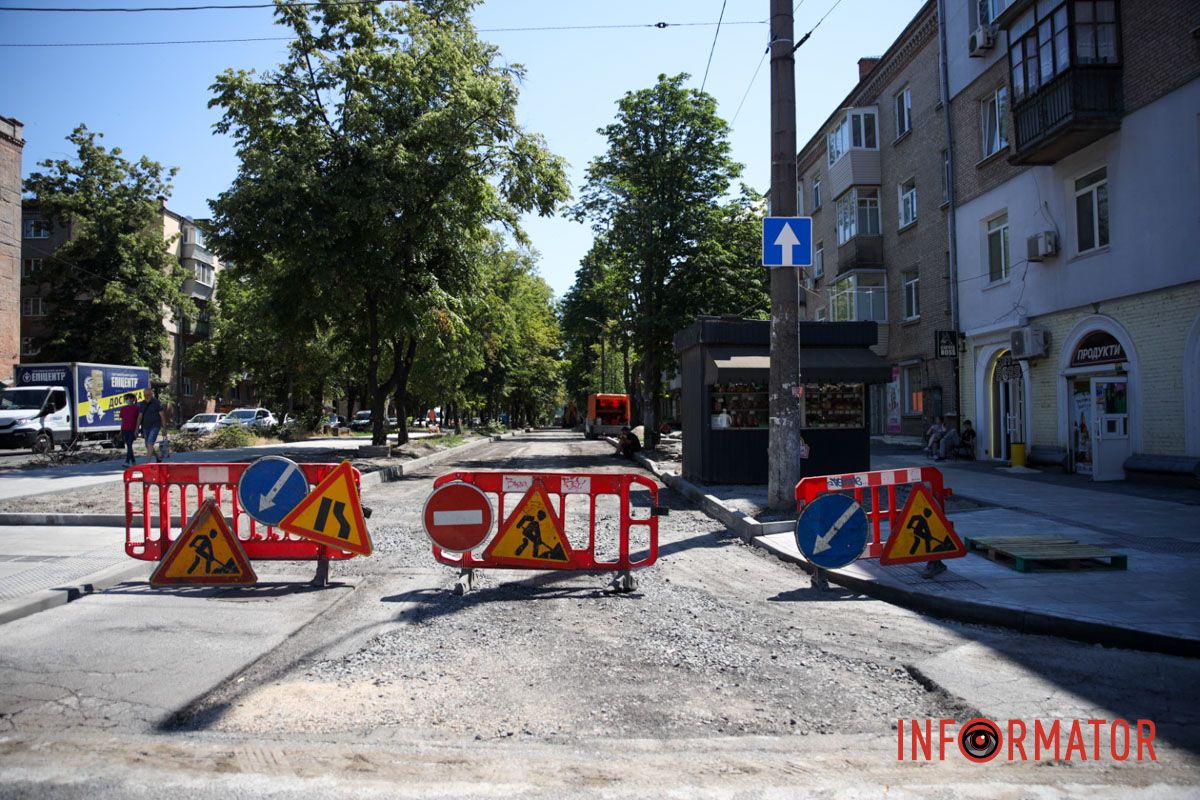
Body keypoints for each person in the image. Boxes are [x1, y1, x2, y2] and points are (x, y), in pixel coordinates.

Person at [138, 388, 169, 463]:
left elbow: (162, 416)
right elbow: (140, 417)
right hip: (145, 427)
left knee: (150, 443)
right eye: (145, 395)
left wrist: (164, 428)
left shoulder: (156, 402)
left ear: (151, 394)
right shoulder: (142, 403)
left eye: (148, 395)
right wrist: (136, 428)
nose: (146, 396)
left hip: (155, 426)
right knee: (147, 445)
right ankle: (158, 457)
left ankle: (147, 462)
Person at [118, 393, 139, 466]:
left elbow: (138, 420)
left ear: (133, 399)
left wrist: (137, 430)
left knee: (129, 444)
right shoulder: (123, 409)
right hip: (125, 429)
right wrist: (120, 431)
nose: (128, 400)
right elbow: (123, 421)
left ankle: (127, 461)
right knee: (129, 445)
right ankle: (133, 461)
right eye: (126, 399)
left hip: (132, 429)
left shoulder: (136, 408)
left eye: (130, 398)